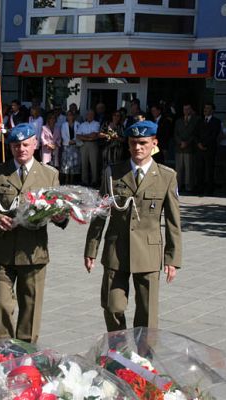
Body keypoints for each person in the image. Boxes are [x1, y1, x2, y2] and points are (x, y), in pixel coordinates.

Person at [84, 120, 182, 332]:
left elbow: (173, 222)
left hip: (148, 251)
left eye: (143, 143)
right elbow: (100, 213)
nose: (138, 147)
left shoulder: (166, 176)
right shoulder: (112, 173)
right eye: (133, 143)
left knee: (147, 314)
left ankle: (143, 358)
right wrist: (91, 249)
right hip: (116, 250)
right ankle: (119, 352)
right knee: (112, 306)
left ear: (154, 143)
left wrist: (172, 258)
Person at [0, 123, 68, 344]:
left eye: (26, 144)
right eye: (16, 145)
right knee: (2, 304)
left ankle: (26, 353)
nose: (21, 149)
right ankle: (2, 351)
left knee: (31, 305)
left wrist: (60, 217)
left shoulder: (49, 175)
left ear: (35, 144)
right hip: (2, 250)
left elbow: (59, 211)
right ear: (10, 147)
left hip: (33, 251)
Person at [195, 103, 221, 195]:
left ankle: (209, 190)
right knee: (199, 169)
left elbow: (214, 135)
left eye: (208, 108)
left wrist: (205, 144)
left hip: (210, 149)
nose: (205, 110)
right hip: (200, 149)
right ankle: (199, 189)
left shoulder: (216, 121)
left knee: (209, 170)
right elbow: (196, 134)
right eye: (205, 108)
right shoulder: (200, 121)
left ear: (212, 110)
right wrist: (199, 143)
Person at [173, 103, 198, 193]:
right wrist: (180, 142)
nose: (186, 111)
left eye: (188, 109)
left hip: (189, 148)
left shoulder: (195, 120)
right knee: (179, 169)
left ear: (191, 110)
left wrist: (187, 142)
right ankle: (178, 186)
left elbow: (195, 134)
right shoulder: (178, 121)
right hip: (179, 147)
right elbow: (175, 134)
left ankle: (188, 187)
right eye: (184, 109)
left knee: (189, 168)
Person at [76, 110, 101, 187]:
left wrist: (84, 136)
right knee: (84, 163)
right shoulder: (82, 124)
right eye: (88, 114)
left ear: (93, 116)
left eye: (91, 114)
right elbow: (78, 136)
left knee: (94, 163)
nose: (90, 116)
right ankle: (85, 181)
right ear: (86, 116)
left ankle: (94, 181)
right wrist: (88, 138)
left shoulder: (97, 123)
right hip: (84, 145)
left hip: (93, 144)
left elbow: (94, 135)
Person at [99, 110, 124, 176]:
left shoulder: (121, 126)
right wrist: (106, 135)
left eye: (118, 115)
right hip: (106, 149)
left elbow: (124, 139)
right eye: (114, 115)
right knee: (105, 165)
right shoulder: (106, 124)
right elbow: (99, 134)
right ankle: (104, 182)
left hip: (117, 150)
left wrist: (116, 137)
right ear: (112, 116)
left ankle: (113, 183)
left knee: (115, 166)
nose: (116, 117)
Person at [60, 110, 81, 184]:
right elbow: (63, 135)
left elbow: (79, 134)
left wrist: (74, 141)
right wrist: (69, 141)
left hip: (75, 147)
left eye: (71, 115)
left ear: (73, 116)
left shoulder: (78, 124)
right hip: (66, 146)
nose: (70, 116)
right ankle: (66, 180)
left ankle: (71, 181)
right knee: (66, 164)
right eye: (68, 115)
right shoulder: (64, 125)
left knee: (73, 164)